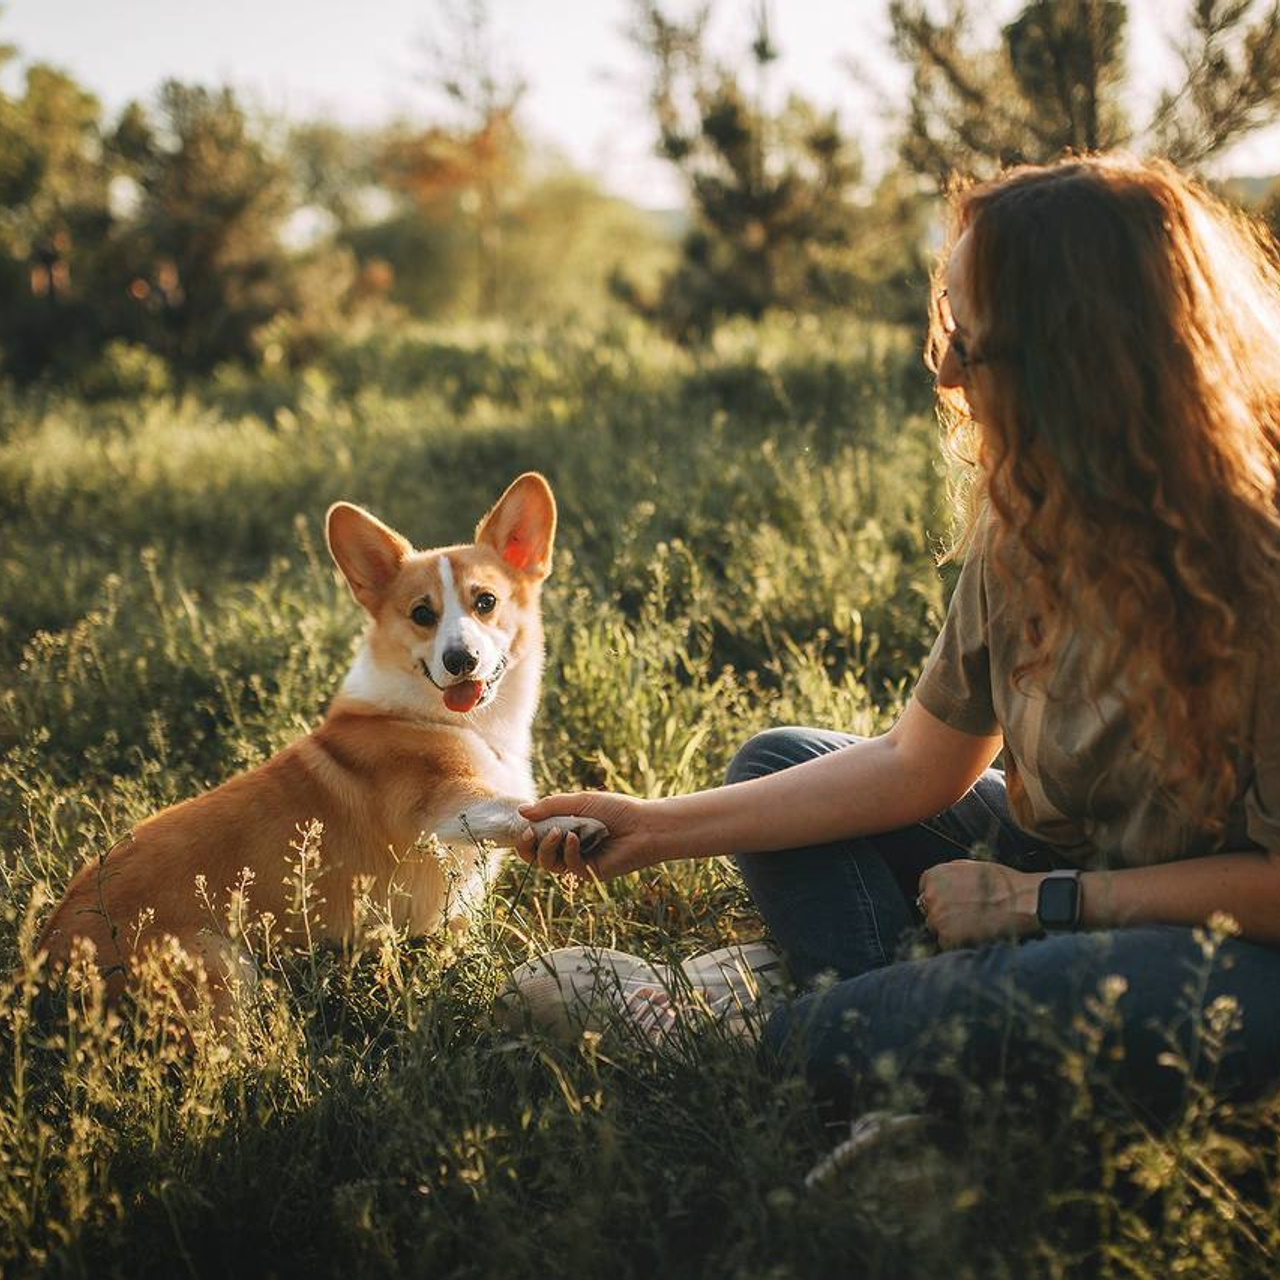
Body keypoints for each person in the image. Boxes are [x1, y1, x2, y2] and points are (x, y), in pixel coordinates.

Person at [505, 153, 1280, 1126]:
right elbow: (919, 765)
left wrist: (1042, 905)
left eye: (970, 341)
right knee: (775, 760)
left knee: (1146, 988)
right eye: (941, 327)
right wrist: (653, 825)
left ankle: (780, 1031)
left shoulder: (1262, 568)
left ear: (1085, 362)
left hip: (1213, 947)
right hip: (1049, 866)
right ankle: (904, 1054)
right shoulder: (1030, 518)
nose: (944, 371)